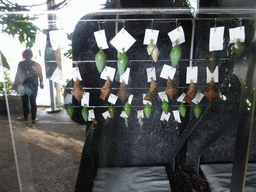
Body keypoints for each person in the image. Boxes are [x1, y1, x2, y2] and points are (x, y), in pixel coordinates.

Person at [13, 49, 44, 123]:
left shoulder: (20, 64)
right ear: (31, 55)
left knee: (25, 101)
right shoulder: (36, 64)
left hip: (24, 84)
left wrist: (15, 83)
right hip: (34, 84)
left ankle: (25, 117)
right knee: (33, 101)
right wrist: (41, 83)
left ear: (23, 56)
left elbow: (17, 75)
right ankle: (33, 118)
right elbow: (40, 75)